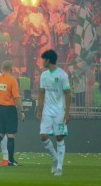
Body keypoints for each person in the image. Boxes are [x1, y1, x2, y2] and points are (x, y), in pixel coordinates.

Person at [37, 49, 71, 177]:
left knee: (59, 137)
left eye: (43, 59)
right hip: (47, 111)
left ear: (48, 60)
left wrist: (67, 113)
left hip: (59, 112)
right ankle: (55, 158)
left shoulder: (62, 75)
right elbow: (41, 93)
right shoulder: (44, 75)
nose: (42, 62)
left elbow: (68, 94)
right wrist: (39, 110)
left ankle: (60, 167)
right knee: (43, 136)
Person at [0, 60, 25, 166]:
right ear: (11, 69)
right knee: (11, 135)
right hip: (10, 109)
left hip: (0, 109)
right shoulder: (12, 81)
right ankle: (11, 160)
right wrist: (21, 111)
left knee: (0, 133)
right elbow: (17, 97)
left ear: (2, 68)